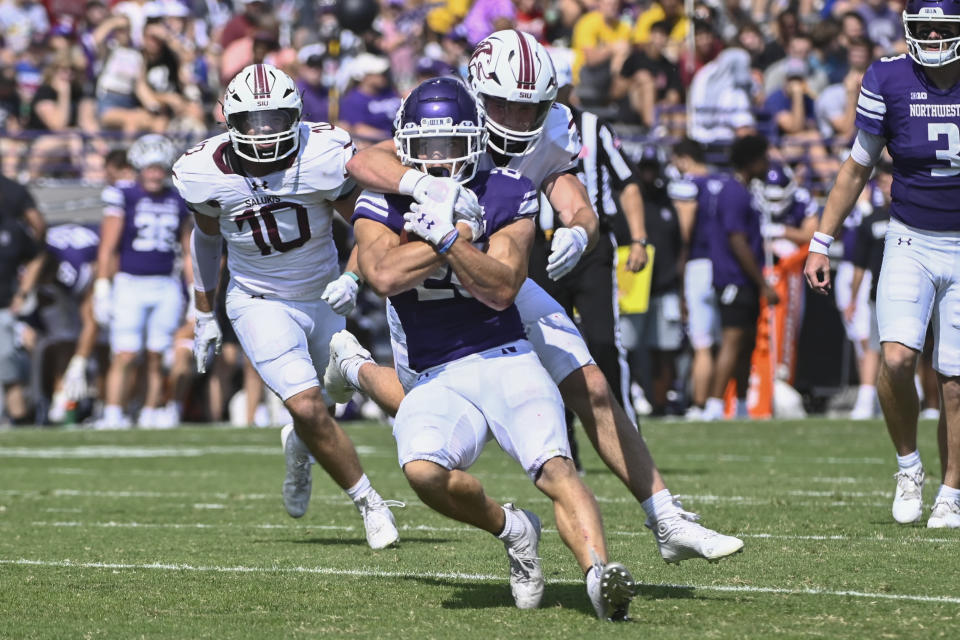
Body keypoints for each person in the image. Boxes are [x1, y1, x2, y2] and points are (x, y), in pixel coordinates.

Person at [328, 30, 744, 564]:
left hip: (496, 268)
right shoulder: (445, 113)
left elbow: (572, 195)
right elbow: (364, 162)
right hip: (426, 275)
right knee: (424, 403)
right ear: (479, 94)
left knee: (592, 385)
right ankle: (357, 366)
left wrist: (580, 229)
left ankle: (665, 517)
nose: (519, 121)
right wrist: (420, 186)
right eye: (505, 105)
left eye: (532, 108)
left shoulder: (551, 129)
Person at [353, 76, 635, 620]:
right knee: (422, 471)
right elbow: (384, 274)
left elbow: (503, 286)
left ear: (475, 141)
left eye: (452, 145)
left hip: (505, 354)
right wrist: (445, 237)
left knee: (555, 466)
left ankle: (600, 577)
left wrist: (447, 241)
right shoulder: (382, 197)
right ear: (406, 147)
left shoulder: (506, 189)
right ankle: (511, 528)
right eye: (427, 147)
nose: (439, 159)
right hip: (435, 372)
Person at [172, 63, 401, 547]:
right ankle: (370, 503)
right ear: (227, 120)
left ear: (295, 115)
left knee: (327, 408)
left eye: (274, 119)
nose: (263, 133)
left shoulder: (320, 153)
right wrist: (204, 313)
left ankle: (299, 447)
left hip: (323, 297)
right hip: (258, 301)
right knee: (307, 404)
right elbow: (207, 240)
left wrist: (353, 276)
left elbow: (369, 223)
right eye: (252, 122)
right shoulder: (202, 171)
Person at [803, 0, 960, 529]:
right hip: (911, 237)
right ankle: (909, 466)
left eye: (945, 26)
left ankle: (952, 492)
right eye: (924, 26)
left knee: (956, 380)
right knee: (895, 358)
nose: (934, 36)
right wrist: (821, 240)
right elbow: (857, 166)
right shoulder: (888, 78)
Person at [92, 134, 191, 429]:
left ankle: (150, 411)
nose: (155, 173)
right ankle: (113, 412)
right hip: (129, 282)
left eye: (160, 167)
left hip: (165, 283)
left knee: (156, 354)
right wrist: (102, 285)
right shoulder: (124, 194)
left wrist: (194, 292)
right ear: (138, 167)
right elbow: (108, 246)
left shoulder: (178, 197)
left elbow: (188, 251)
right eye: (149, 167)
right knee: (125, 353)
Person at [700, 134, 780, 421]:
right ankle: (713, 404)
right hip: (733, 279)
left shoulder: (745, 191)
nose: (767, 163)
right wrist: (762, 282)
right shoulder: (734, 193)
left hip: (743, 281)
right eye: (763, 157)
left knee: (745, 342)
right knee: (732, 340)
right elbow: (737, 240)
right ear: (752, 160)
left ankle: (743, 405)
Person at [670, 137, 722, 418]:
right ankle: (722, 401)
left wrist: (678, 271)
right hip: (726, 267)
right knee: (722, 341)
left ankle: (702, 405)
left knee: (701, 343)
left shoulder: (688, 184)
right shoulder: (722, 183)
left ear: (683, 158)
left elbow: (684, 232)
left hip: (698, 266)